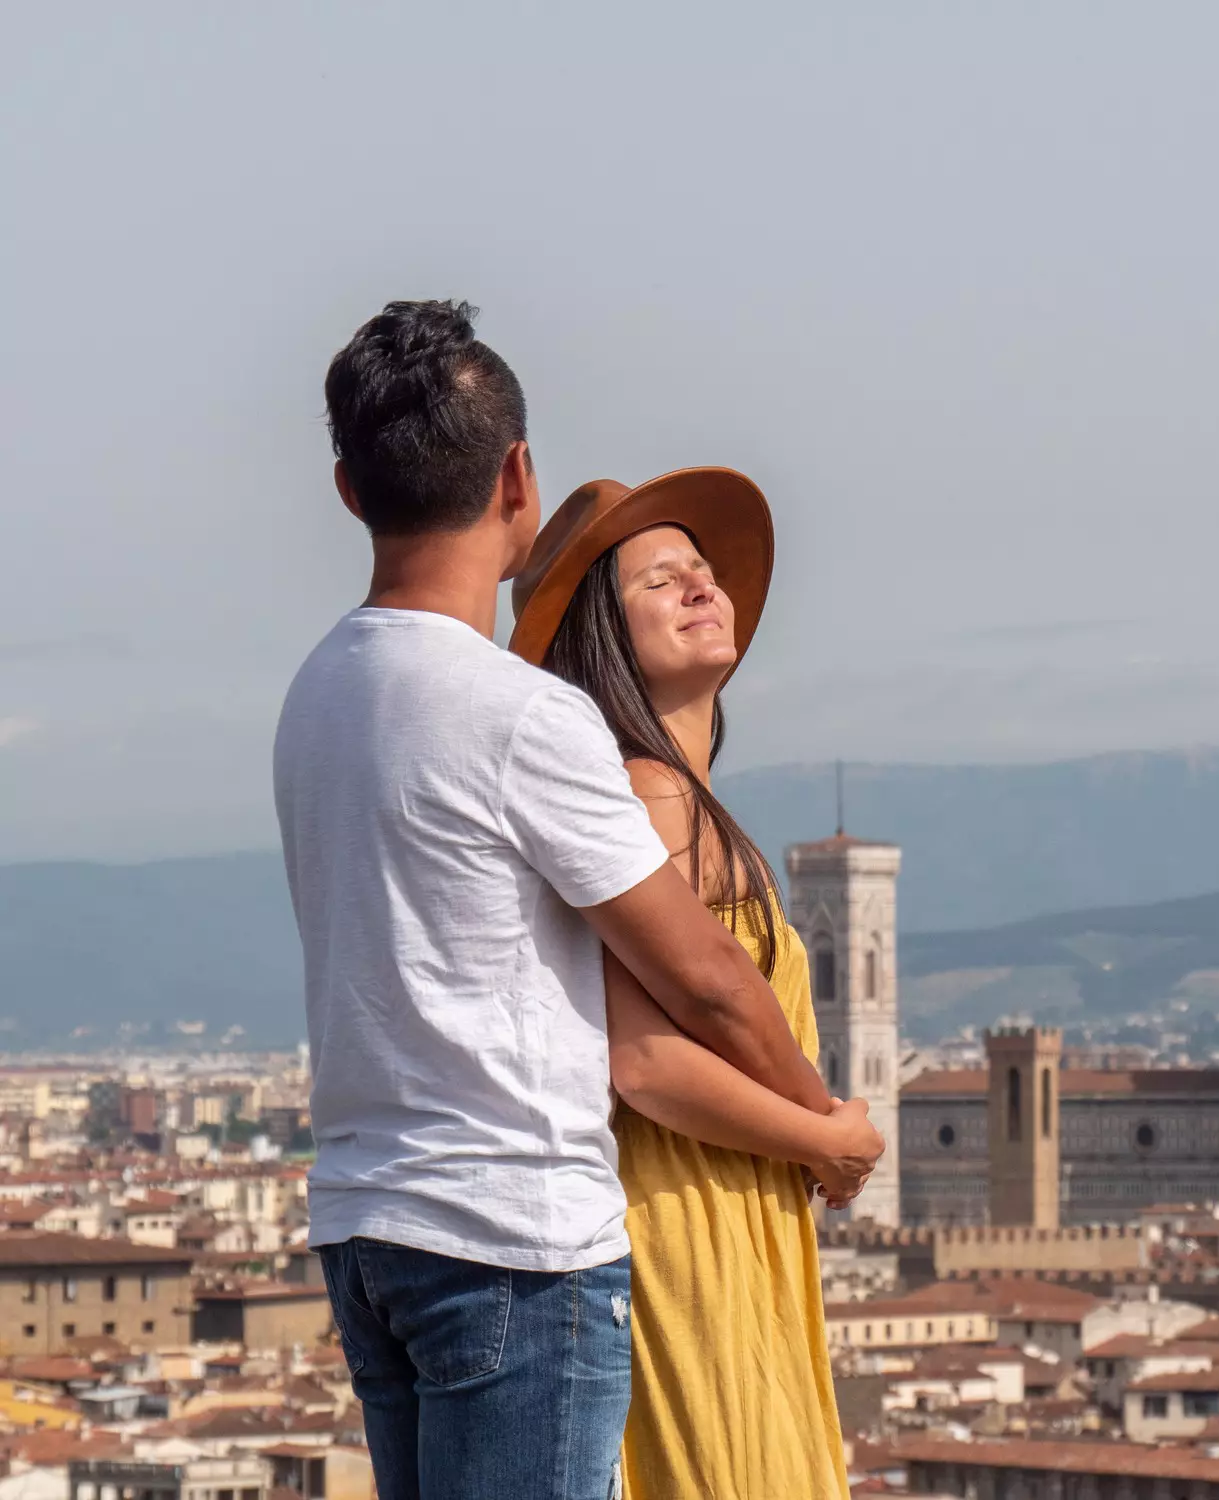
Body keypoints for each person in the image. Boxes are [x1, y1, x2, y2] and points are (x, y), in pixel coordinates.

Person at [273, 301, 881, 1500]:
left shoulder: (317, 694)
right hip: (515, 1237)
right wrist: (829, 1134)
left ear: (348, 488)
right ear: (516, 477)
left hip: (368, 1218)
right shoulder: (522, 716)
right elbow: (698, 983)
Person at [510, 471, 866, 1500]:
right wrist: (828, 1141)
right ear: (603, 642)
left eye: (702, 572)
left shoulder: (687, 801)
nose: (701, 587)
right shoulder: (648, 795)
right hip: (688, 1219)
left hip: (734, 1213)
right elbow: (646, 1062)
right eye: (660, 582)